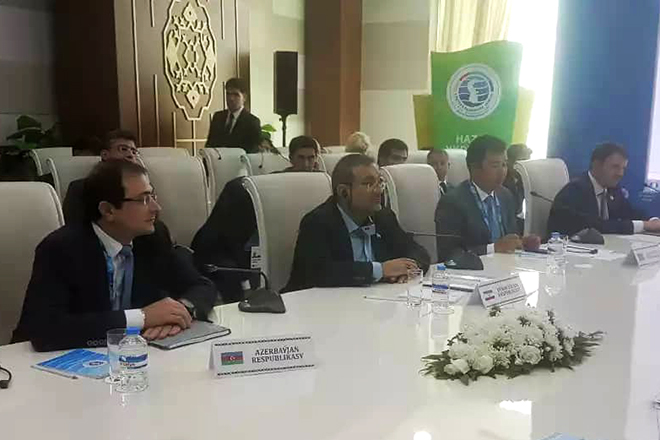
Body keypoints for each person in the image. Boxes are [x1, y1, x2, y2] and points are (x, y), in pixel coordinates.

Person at [12, 160, 217, 351]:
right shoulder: (61, 249)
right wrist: (142, 318)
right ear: (108, 210)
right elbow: (45, 331)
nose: (156, 208)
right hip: (55, 362)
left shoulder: (152, 238)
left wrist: (179, 311)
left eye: (153, 196)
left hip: (134, 357)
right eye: (143, 200)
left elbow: (202, 286)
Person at [191, 136, 322, 302]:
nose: (306, 164)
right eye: (301, 158)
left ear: (317, 159)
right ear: (290, 158)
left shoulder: (322, 183)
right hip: (249, 242)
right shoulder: (272, 185)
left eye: (311, 158)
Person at [282, 154, 430, 292]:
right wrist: (380, 270)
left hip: (374, 301)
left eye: (380, 182)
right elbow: (317, 273)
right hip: (323, 305)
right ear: (343, 192)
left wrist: (408, 268)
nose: (379, 191)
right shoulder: (318, 222)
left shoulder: (384, 217)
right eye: (368, 184)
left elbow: (418, 252)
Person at [434, 135, 540, 262]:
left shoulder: (506, 195)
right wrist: (493, 248)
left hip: (507, 267)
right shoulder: (452, 202)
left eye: (504, 164)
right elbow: (449, 254)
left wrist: (522, 242)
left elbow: (510, 236)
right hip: (474, 271)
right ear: (475, 167)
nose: (502, 171)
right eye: (495, 166)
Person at [547, 143, 660, 235]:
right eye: (615, 167)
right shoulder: (575, 190)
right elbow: (594, 226)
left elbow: (630, 212)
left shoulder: (613, 190)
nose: (620, 174)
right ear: (596, 165)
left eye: (623, 168)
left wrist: (653, 221)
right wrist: (643, 225)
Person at [63, 129, 141, 223]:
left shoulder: (143, 187)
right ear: (105, 154)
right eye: (123, 149)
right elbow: (75, 227)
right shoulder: (80, 188)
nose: (130, 155)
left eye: (134, 152)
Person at [206, 77, 261, 153]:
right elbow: (209, 145)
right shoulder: (218, 117)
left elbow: (252, 152)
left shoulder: (252, 122)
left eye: (236, 95)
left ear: (244, 97)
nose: (231, 98)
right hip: (216, 159)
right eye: (228, 94)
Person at [502, 143, 532, 234]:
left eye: (527, 162)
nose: (524, 167)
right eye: (522, 161)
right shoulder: (501, 181)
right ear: (510, 161)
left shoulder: (525, 179)